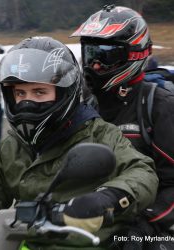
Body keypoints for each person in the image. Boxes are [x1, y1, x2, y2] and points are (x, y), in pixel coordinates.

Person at [0, 36, 158, 249]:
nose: (27, 102)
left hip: (91, 243)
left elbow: (142, 173)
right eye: (20, 93)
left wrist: (106, 199)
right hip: (26, 242)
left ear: (64, 93)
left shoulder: (99, 134)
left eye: (38, 92)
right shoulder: (13, 145)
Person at [71, 4, 174, 249]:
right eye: (91, 53)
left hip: (153, 226)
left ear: (134, 54)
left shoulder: (159, 106)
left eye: (105, 55)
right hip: (99, 224)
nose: (94, 65)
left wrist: (145, 226)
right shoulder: (86, 105)